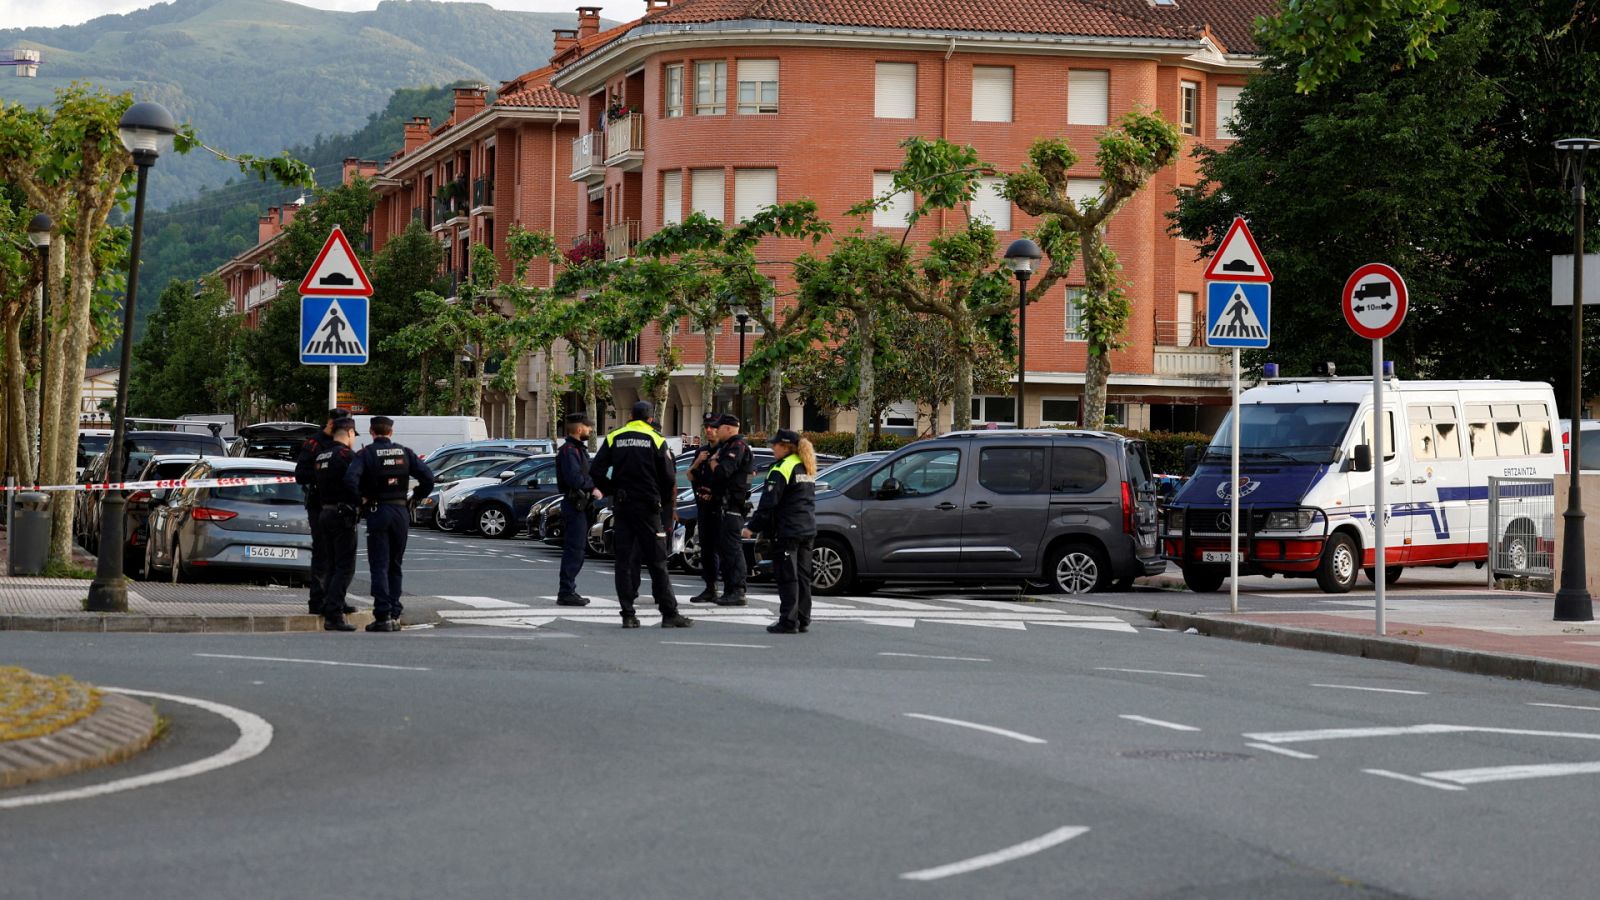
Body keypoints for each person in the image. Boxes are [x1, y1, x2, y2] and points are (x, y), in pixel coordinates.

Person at [591, 400, 693, 629]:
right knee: (657, 561)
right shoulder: (656, 439)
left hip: (623, 506)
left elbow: (596, 471)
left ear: (630, 416)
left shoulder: (615, 437)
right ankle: (669, 613)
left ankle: (628, 613)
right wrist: (666, 507)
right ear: (649, 418)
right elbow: (669, 479)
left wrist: (612, 489)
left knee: (624, 561)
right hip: (649, 508)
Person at [345, 416, 434, 633]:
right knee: (395, 564)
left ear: (371, 432)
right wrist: (415, 497)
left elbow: (349, 480)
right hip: (400, 511)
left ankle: (382, 613)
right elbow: (428, 478)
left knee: (379, 565)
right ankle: (394, 612)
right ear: (391, 432)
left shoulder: (366, 454)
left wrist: (361, 500)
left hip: (378, 510)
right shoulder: (404, 452)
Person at [744, 429, 817, 635]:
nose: (772, 448)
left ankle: (788, 620)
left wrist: (752, 527)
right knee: (803, 575)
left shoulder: (782, 468)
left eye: (774, 445)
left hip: (788, 530)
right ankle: (803, 618)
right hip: (807, 528)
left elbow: (769, 503)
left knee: (787, 576)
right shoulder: (805, 465)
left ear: (785, 446)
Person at [294, 407, 353, 617]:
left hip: (340, 505)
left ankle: (337, 599)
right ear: (331, 424)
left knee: (340, 557)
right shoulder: (314, 443)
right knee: (322, 555)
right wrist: (324, 474)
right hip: (319, 505)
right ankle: (317, 600)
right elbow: (300, 474)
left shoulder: (342, 447)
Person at [313, 419, 361, 632]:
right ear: (349, 433)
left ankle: (331, 604)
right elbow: (355, 482)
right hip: (343, 514)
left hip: (325, 512)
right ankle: (334, 614)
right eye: (354, 436)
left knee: (331, 564)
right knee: (345, 566)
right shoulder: (346, 456)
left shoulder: (321, 455)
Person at [704, 413, 753, 606]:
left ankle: (737, 590)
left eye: (719, 427)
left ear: (729, 428)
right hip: (727, 505)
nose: (716, 430)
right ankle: (730, 589)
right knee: (726, 549)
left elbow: (724, 472)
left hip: (733, 505)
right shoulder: (730, 446)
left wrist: (713, 462)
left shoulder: (737, 447)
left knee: (733, 550)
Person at [555, 412, 603, 607]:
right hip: (575, 504)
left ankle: (568, 590)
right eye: (588, 426)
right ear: (579, 428)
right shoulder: (569, 451)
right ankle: (566, 591)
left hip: (580, 505)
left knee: (578, 549)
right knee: (574, 550)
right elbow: (575, 478)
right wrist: (592, 487)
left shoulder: (576, 450)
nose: (590, 430)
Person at [686, 411, 724, 605]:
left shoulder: (726, 450)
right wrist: (698, 462)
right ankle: (710, 587)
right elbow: (690, 476)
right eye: (707, 427)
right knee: (707, 549)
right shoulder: (701, 452)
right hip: (703, 506)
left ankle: (732, 588)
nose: (709, 430)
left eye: (714, 427)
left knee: (723, 549)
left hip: (721, 508)